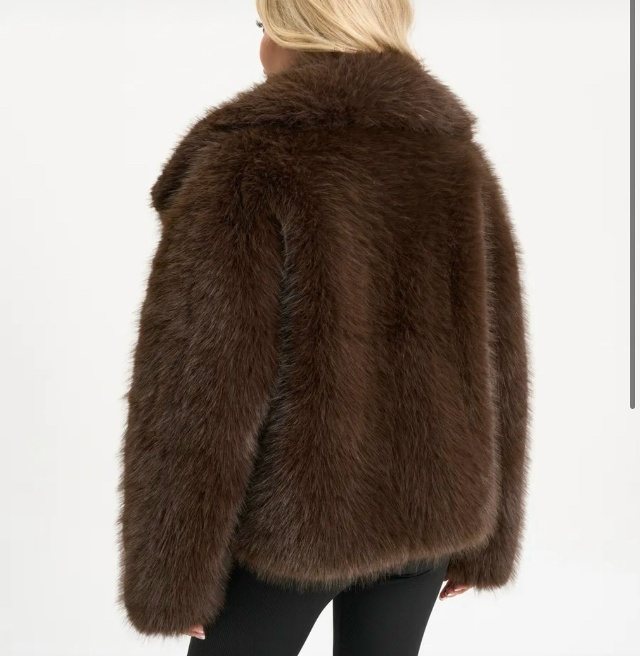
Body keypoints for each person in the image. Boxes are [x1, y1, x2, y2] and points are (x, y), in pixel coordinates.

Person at [116, 0, 532, 654]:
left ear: (298, 32)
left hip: (289, 530)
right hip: (427, 515)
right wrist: (490, 537)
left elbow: (198, 388)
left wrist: (173, 572)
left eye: (265, 28)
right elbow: (497, 357)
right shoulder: (455, 160)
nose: (261, 49)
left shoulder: (248, 162)